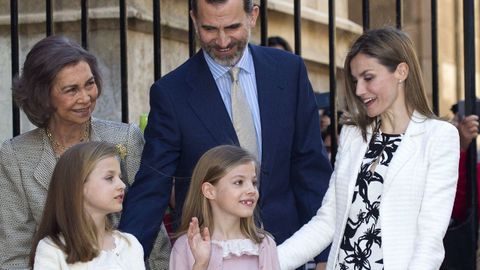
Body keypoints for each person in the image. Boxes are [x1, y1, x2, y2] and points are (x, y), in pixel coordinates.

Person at [119, 0, 332, 267]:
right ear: (194, 20)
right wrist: (121, 260)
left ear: (253, 16)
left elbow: (310, 168)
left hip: (289, 249)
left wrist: (326, 255)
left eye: (232, 27)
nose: (222, 41)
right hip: (212, 257)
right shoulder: (171, 93)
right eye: (209, 29)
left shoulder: (289, 72)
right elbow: (153, 186)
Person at [277, 27, 460, 270]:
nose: (359, 90)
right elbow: (327, 221)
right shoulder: (354, 134)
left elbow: (430, 240)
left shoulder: (438, 137)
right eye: (355, 80)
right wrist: (267, 262)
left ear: (401, 71)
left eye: (368, 77)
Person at [0, 35, 170, 270]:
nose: (86, 97)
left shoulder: (125, 140)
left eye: (89, 84)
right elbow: (13, 252)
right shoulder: (15, 156)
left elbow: (153, 228)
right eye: (71, 90)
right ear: (42, 94)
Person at [30, 142, 145, 269]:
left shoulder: (130, 245)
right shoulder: (52, 249)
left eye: (120, 177)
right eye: (109, 178)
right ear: (78, 186)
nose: (122, 185)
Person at [169, 145, 280, 269]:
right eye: (239, 182)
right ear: (209, 191)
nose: (251, 190)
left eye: (254, 183)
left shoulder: (265, 245)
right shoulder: (186, 246)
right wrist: (201, 264)